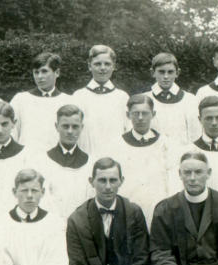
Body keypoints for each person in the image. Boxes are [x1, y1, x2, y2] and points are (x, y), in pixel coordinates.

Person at [104, 94, 177, 225]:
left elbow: (172, 183)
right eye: (136, 113)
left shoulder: (166, 144)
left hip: (159, 211)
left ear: (153, 114)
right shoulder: (116, 145)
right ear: (128, 115)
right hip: (128, 211)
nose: (140, 118)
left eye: (145, 113)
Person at [35, 104, 94, 218]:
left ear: (82, 127)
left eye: (75, 126)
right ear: (57, 126)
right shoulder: (42, 161)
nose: (70, 131)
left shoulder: (89, 163)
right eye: (65, 126)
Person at [71, 45, 129, 155]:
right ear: (89, 66)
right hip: (86, 156)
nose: (102, 68)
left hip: (116, 158)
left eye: (107, 64)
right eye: (97, 64)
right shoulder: (78, 96)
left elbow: (128, 131)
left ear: (114, 66)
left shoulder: (122, 97)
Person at [10, 52, 72, 151]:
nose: (39, 76)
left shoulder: (68, 101)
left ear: (57, 72)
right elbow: (12, 133)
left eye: (44, 71)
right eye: (36, 72)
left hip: (57, 160)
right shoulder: (21, 99)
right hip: (27, 159)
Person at [144, 52, 200, 146]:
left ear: (177, 73)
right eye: (161, 72)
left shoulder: (190, 100)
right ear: (153, 73)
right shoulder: (145, 100)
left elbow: (195, 135)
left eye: (170, 72)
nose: (166, 76)